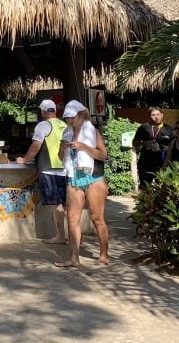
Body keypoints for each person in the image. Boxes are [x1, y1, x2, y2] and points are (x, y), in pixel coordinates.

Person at [55, 100, 109, 268]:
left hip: (93, 177)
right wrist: (62, 150)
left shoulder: (92, 131)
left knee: (97, 218)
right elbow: (59, 158)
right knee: (72, 218)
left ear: (80, 115)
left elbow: (103, 155)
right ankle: (73, 258)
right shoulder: (66, 133)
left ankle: (104, 254)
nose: (69, 121)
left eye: (72, 117)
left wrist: (84, 147)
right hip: (73, 177)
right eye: (67, 118)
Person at [16, 98, 68, 244]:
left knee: (58, 206)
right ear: (55, 111)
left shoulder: (43, 125)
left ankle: (60, 236)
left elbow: (35, 146)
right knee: (65, 205)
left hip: (50, 170)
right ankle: (72, 236)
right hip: (65, 170)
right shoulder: (64, 124)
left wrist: (24, 160)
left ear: (43, 111)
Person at [132, 106, 174, 187]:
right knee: (145, 186)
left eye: (158, 114)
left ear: (162, 115)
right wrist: (145, 143)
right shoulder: (144, 127)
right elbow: (134, 143)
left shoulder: (169, 129)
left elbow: (175, 144)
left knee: (163, 187)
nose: (156, 117)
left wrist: (167, 148)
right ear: (149, 116)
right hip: (146, 161)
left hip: (163, 161)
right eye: (153, 115)